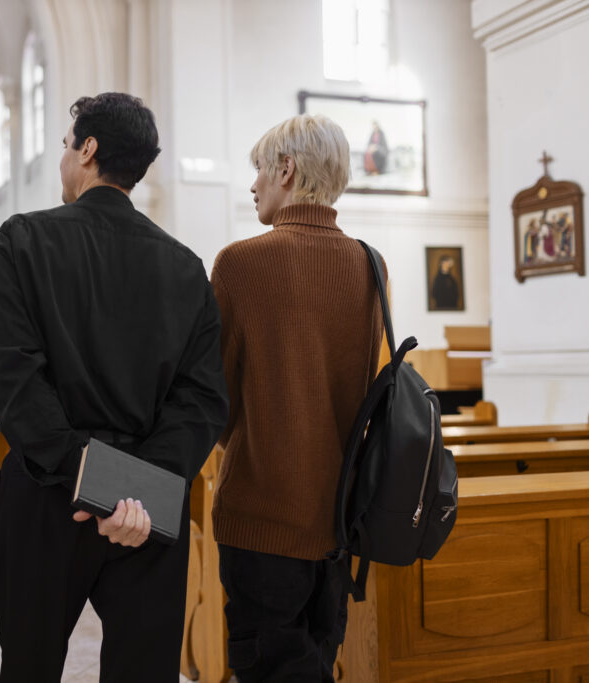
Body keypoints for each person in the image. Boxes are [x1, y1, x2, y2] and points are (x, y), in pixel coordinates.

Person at [0, 92, 229, 682]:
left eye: (67, 146)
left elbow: (18, 384)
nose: (65, 161)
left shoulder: (22, 240)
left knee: (29, 667)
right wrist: (134, 495)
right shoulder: (185, 265)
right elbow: (201, 400)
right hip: (147, 505)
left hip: (49, 496)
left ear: (88, 149)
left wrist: (90, 478)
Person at [210, 114, 384, 682]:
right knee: (315, 662)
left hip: (262, 520)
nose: (254, 183)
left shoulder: (240, 263)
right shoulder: (371, 265)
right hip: (338, 524)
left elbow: (218, 403)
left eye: (260, 169)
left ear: (286, 169)